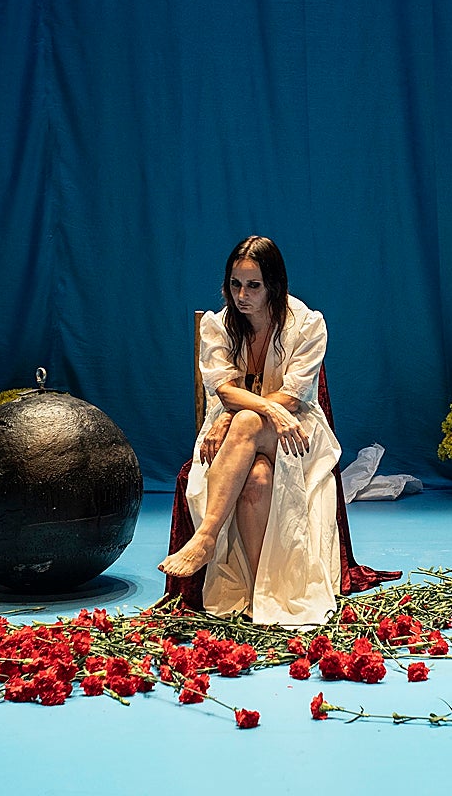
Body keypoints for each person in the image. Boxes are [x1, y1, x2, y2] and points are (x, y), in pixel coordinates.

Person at [158, 236, 342, 626]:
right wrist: (242, 412)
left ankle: (206, 537)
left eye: (253, 285)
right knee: (257, 478)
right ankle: (261, 592)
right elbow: (223, 390)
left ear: (273, 285)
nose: (242, 296)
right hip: (243, 429)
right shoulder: (218, 325)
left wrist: (237, 414)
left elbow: (292, 398)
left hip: (295, 431)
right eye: (235, 284)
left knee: (244, 421)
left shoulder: (308, 325)